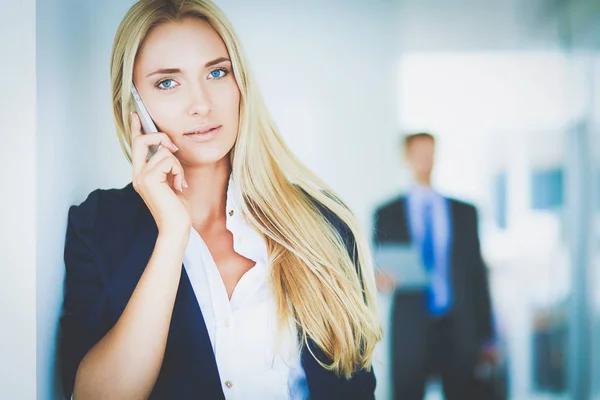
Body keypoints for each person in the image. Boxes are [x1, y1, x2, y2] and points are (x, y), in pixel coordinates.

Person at [60, 1, 381, 398]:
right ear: (133, 106)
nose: (202, 104)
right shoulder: (99, 225)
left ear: (240, 82)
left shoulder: (322, 223)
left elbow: (356, 384)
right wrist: (173, 237)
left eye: (217, 72)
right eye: (167, 82)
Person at [373, 132, 496, 400]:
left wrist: (488, 336)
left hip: (460, 326)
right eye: (418, 153)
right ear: (406, 158)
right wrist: (380, 280)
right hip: (410, 327)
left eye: (430, 153)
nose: (425, 160)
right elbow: (377, 272)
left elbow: (477, 275)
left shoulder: (464, 212)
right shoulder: (386, 213)